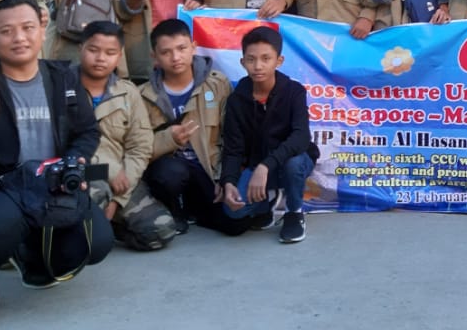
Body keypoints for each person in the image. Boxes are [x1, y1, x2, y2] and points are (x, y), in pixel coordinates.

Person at [0, 0, 113, 328]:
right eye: (7, 31)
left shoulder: (63, 79)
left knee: (96, 240)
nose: (19, 37)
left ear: (42, 30)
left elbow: (87, 131)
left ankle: (33, 260)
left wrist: (74, 160)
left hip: (47, 185)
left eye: (28, 27)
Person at [137, 19, 248, 237]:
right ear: (154, 56)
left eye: (182, 48)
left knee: (236, 224)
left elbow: (231, 137)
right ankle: (173, 209)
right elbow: (137, 148)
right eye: (166, 52)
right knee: (170, 172)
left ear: (193, 47)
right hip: (168, 172)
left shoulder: (217, 85)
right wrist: (169, 139)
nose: (175, 57)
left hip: (207, 170)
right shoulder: (141, 95)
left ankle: (194, 209)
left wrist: (225, 178)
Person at [77, 21, 175, 252]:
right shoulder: (62, 87)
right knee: (95, 196)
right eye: (93, 50)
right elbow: (67, 140)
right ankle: (88, 234)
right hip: (81, 172)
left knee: (161, 230)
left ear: (119, 55)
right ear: (81, 48)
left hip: (122, 178)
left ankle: (110, 227)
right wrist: (109, 169)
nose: (101, 58)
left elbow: (140, 147)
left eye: (110, 52)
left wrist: (118, 199)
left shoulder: (128, 92)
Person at [220, 26, 318, 244]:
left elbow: (301, 137)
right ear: (242, 62)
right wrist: (229, 181)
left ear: (279, 61)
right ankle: (268, 201)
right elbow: (233, 148)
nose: (258, 66)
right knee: (234, 211)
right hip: (258, 166)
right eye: (251, 59)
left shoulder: (294, 91)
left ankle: (294, 212)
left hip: (290, 161)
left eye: (266, 59)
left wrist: (266, 166)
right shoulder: (237, 100)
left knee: (293, 162)